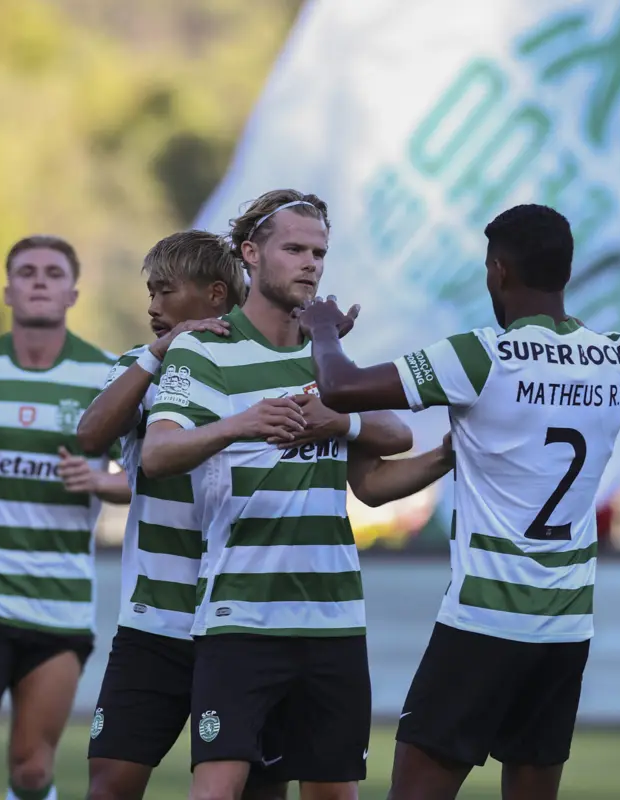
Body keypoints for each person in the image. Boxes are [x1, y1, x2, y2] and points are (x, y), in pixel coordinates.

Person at [296, 203, 620, 800]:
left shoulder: (483, 355)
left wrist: (322, 329)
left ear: (499, 272)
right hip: (565, 627)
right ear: (564, 272)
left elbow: (342, 387)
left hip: (483, 620)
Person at [141, 189, 424, 800]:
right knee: (218, 791)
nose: (310, 263)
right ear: (251, 254)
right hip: (240, 617)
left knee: (334, 794)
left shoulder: (329, 359)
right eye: (294, 248)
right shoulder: (204, 348)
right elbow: (156, 454)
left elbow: (387, 451)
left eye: (319, 252)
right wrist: (242, 423)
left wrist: (343, 420)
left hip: (334, 619)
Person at [73, 230, 291, 800]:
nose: (152, 306)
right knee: (111, 784)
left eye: (164, 292)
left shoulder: (270, 368)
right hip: (155, 621)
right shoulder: (141, 369)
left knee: (257, 790)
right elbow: (90, 434)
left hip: (249, 620)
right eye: (150, 293)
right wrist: (158, 353)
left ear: (216, 294)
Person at [0, 235, 131, 800]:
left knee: (32, 772)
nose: (39, 280)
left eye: (52, 272)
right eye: (27, 272)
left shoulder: (107, 374)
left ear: (72, 292)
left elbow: (145, 472)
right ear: (9, 290)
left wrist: (99, 480)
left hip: (58, 602)